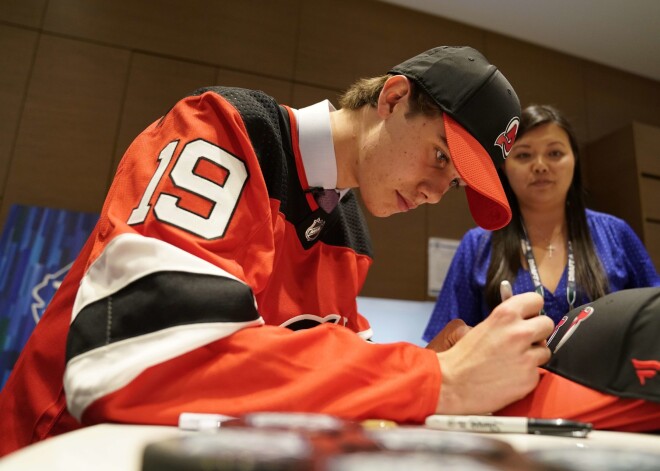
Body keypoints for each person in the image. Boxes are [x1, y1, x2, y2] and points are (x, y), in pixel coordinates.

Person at [0, 46, 657, 457]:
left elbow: (305, 376)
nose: (434, 192)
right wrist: (438, 379)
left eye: (452, 184)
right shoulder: (229, 129)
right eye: (439, 158)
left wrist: (432, 361)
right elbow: (136, 360)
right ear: (394, 97)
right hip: (58, 449)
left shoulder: (346, 227)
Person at [424, 104, 660, 339]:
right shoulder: (477, 244)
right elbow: (447, 341)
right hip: (510, 376)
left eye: (555, 153)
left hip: (607, 376)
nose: (540, 166)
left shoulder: (615, 233)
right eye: (524, 155)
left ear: (574, 160)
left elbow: (653, 319)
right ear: (504, 166)